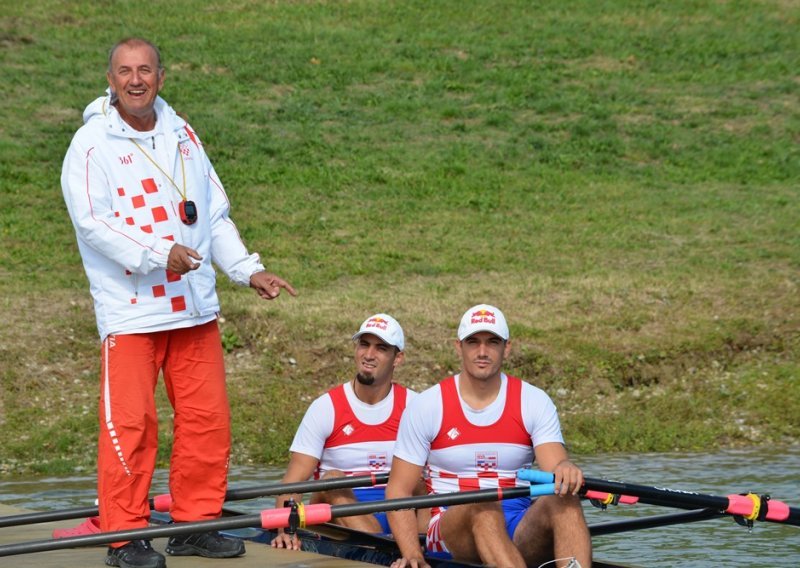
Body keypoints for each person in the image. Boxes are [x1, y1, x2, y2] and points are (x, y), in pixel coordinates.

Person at [61, 37, 296, 568]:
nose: (136, 80)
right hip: (132, 310)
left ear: (161, 77)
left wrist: (247, 269)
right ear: (111, 78)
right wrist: (156, 254)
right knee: (132, 426)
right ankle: (124, 538)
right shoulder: (91, 144)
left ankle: (194, 524)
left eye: (145, 70)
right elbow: (93, 223)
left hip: (193, 308)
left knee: (207, 421)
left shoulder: (183, 133)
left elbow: (212, 214)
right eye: (125, 71)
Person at [386, 304, 592, 568]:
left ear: (506, 348)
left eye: (492, 342)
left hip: (517, 525)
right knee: (484, 504)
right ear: (458, 347)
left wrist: (565, 468)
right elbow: (399, 489)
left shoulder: (533, 401)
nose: (482, 352)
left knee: (565, 499)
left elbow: (556, 468)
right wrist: (412, 554)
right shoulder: (428, 405)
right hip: (450, 529)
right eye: (473, 342)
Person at [271, 314, 428, 550]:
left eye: (381, 348)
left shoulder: (416, 407)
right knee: (332, 480)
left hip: (401, 510)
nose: (368, 355)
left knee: (419, 480)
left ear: (398, 358)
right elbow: (294, 482)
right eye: (364, 344)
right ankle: (384, 547)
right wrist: (284, 529)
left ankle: (424, 547)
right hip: (343, 511)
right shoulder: (326, 408)